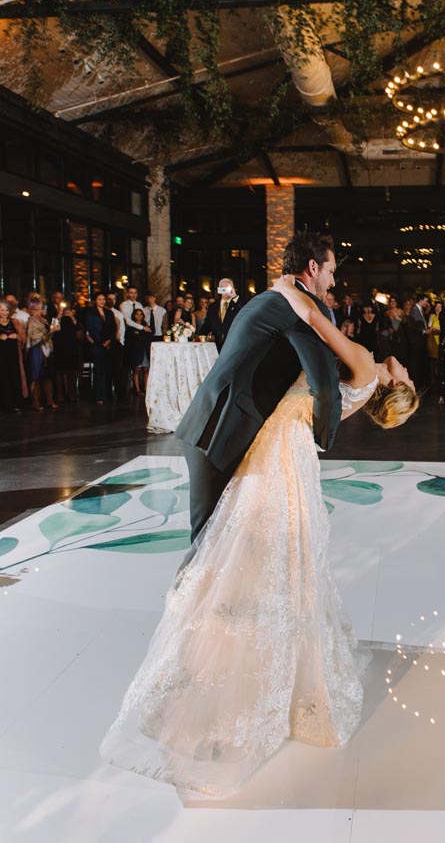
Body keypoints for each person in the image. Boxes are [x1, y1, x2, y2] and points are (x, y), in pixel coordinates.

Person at [100, 271, 418, 798]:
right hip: (286, 442)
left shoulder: (364, 361)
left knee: (251, 537)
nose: (404, 365)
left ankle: (215, 622)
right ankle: (240, 633)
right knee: (275, 547)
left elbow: (316, 325)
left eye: (405, 375)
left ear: (393, 385)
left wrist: (290, 292)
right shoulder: (362, 375)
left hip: (283, 441)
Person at [176, 232, 343, 547]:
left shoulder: (268, 298)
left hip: (207, 423)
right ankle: (185, 597)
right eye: (331, 271)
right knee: (210, 545)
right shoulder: (303, 308)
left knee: (217, 540)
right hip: (221, 434)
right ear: (312, 266)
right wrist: (322, 438)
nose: (332, 282)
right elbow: (323, 385)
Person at [26, 296, 57, 412]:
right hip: (36, 350)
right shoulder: (31, 322)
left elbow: (48, 336)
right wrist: (51, 332)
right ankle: (35, 402)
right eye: (36, 310)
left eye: (40, 309)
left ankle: (50, 400)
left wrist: (53, 330)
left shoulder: (43, 320)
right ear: (30, 310)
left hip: (47, 350)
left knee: (47, 376)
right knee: (36, 377)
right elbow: (36, 338)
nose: (39, 312)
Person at [84, 292, 116, 405]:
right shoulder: (90, 313)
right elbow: (89, 328)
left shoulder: (109, 313)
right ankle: (98, 396)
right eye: (99, 299)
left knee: (107, 370)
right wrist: (95, 341)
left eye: (103, 299)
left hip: (108, 344)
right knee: (98, 371)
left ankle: (107, 395)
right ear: (95, 301)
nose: (102, 301)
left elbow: (113, 328)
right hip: (96, 344)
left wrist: (109, 340)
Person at [0, 298, 26, 413]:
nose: (4, 313)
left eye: (6, 310)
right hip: (1, 356)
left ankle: (14, 405)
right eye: (1, 310)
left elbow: (24, 338)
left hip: (13, 356)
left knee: (14, 378)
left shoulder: (15, 322)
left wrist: (17, 337)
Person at [200, 280, 241, 349]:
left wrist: (234, 296)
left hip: (233, 345)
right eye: (222, 288)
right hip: (216, 346)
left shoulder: (237, 305)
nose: (224, 290)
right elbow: (207, 324)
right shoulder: (213, 306)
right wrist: (200, 337)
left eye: (227, 288)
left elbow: (246, 310)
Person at [126, 307, 151, 396]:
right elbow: (130, 340)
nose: (139, 316)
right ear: (134, 316)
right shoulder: (131, 327)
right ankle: (137, 389)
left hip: (145, 350)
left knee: (146, 369)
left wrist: (140, 335)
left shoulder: (146, 326)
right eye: (137, 314)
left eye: (141, 314)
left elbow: (149, 337)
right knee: (137, 369)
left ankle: (146, 388)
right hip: (135, 351)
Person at [407, 293, 430, 387]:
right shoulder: (415, 309)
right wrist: (424, 331)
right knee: (416, 361)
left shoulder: (419, 309)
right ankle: (415, 381)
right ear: (421, 300)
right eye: (426, 301)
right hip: (416, 340)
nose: (427, 303)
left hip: (419, 339)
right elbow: (413, 325)